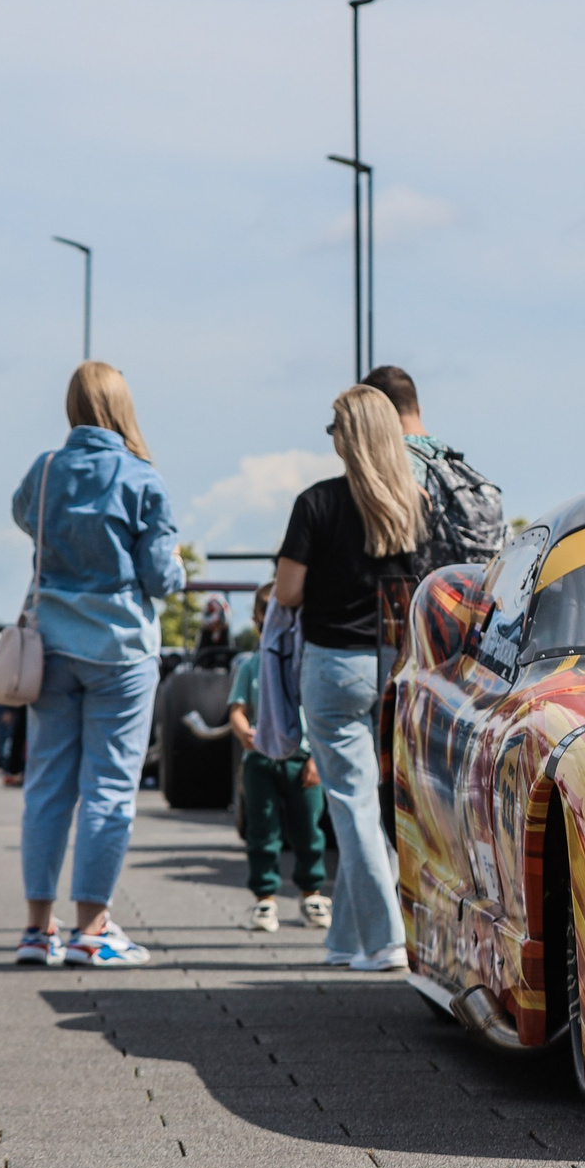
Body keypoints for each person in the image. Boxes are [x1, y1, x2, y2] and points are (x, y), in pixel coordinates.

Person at [10, 361, 184, 969]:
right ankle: (92, 929)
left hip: (52, 642)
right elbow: (161, 575)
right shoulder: (142, 477)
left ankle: (37, 931)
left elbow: (23, 516)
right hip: (121, 650)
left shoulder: (48, 469)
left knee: (48, 787)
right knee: (109, 788)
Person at [274, 385, 420, 973]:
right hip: (398, 665)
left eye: (334, 429)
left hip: (334, 665)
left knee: (354, 807)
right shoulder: (416, 503)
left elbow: (286, 592)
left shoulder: (317, 503)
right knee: (380, 804)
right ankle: (344, 941)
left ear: (348, 437)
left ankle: (387, 940)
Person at [230, 583, 328, 933]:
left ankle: (311, 892)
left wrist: (317, 757)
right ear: (259, 620)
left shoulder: (305, 662)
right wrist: (244, 733)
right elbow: (237, 709)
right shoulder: (252, 666)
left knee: (309, 830)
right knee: (262, 830)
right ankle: (264, 898)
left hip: (302, 759)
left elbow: (319, 713)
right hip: (261, 760)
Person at [360, 363, 505, 570]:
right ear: (418, 410)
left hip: (423, 596)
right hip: (475, 593)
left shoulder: (396, 465)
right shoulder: (453, 463)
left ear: (378, 416)